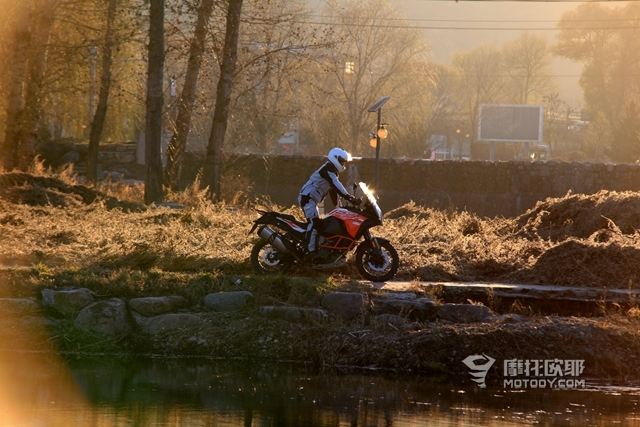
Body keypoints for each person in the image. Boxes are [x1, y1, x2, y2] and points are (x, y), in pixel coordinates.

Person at [298, 147, 358, 258]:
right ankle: (308, 251)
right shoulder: (328, 169)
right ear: (335, 158)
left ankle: (318, 246)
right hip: (307, 198)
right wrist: (349, 197)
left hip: (311, 199)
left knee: (320, 224)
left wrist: (340, 207)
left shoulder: (332, 171)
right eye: (341, 161)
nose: (343, 164)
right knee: (314, 223)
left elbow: (333, 191)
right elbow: (336, 185)